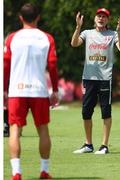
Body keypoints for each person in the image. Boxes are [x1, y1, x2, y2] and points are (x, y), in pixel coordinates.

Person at [4, 3, 59, 180]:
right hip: (39, 90)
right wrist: (55, 90)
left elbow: (5, 65)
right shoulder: (47, 38)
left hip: (16, 90)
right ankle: (44, 171)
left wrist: (4, 89)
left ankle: (16, 173)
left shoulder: (12, 38)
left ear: (20, 18)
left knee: (14, 129)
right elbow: (52, 65)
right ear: (38, 17)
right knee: (43, 129)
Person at [71, 8, 120, 154]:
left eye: (104, 17)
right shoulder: (87, 33)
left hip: (105, 79)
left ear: (107, 20)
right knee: (86, 112)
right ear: (95, 19)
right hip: (89, 78)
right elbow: (74, 43)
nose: (101, 18)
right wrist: (78, 27)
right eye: (99, 16)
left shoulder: (112, 34)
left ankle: (104, 146)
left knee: (106, 112)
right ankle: (88, 145)